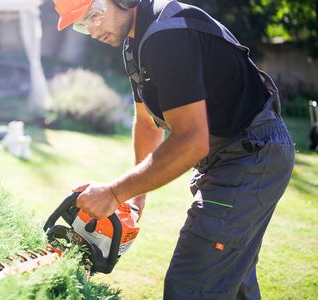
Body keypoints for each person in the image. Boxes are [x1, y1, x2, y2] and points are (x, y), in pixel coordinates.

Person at [53, 0, 295, 299]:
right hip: (232, 158)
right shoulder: (135, 44)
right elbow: (146, 123)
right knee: (232, 281)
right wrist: (135, 197)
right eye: (81, 24)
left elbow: (192, 141)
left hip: (251, 155)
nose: (91, 29)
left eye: (93, 15)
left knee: (190, 284)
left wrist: (115, 193)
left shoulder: (166, 36)